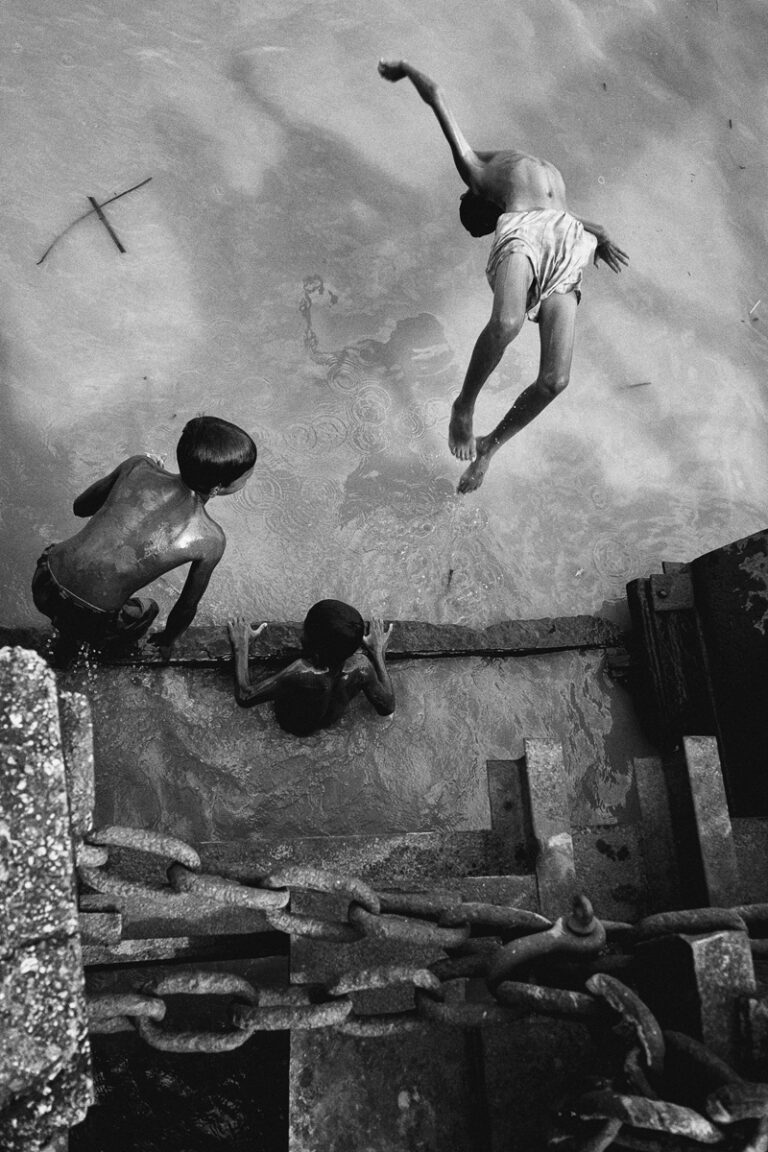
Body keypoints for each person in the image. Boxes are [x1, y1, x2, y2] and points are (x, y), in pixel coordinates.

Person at [378, 59, 629, 492]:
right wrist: (405, 70)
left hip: (566, 234)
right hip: (526, 232)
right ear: (483, 201)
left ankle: (489, 448)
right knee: (507, 323)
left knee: (556, 381)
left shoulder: (490, 165)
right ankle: (463, 407)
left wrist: (599, 233)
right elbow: (435, 95)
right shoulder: (475, 173)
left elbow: (558, 214)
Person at [32, 415, 257, 658]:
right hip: (93, 617)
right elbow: (186, 607)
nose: (248, 478)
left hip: (45, 579)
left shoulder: (137, 467)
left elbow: (81, 507)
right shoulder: (210, 539)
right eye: (246, 477)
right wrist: (168, 641)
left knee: (77, 595)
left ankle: (67, 635)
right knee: (148, 610)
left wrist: (136, 476)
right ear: (217, 488)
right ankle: (106, 647)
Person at [227, 600, 395, 736]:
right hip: (328, 723)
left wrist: (241, 646)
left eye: (305, 628)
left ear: (312, 643)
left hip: (290, 728)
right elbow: (387, 707)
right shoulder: (362, 667)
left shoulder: (302, 673)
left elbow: (245, 696)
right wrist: (378, 651)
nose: (301, 631)